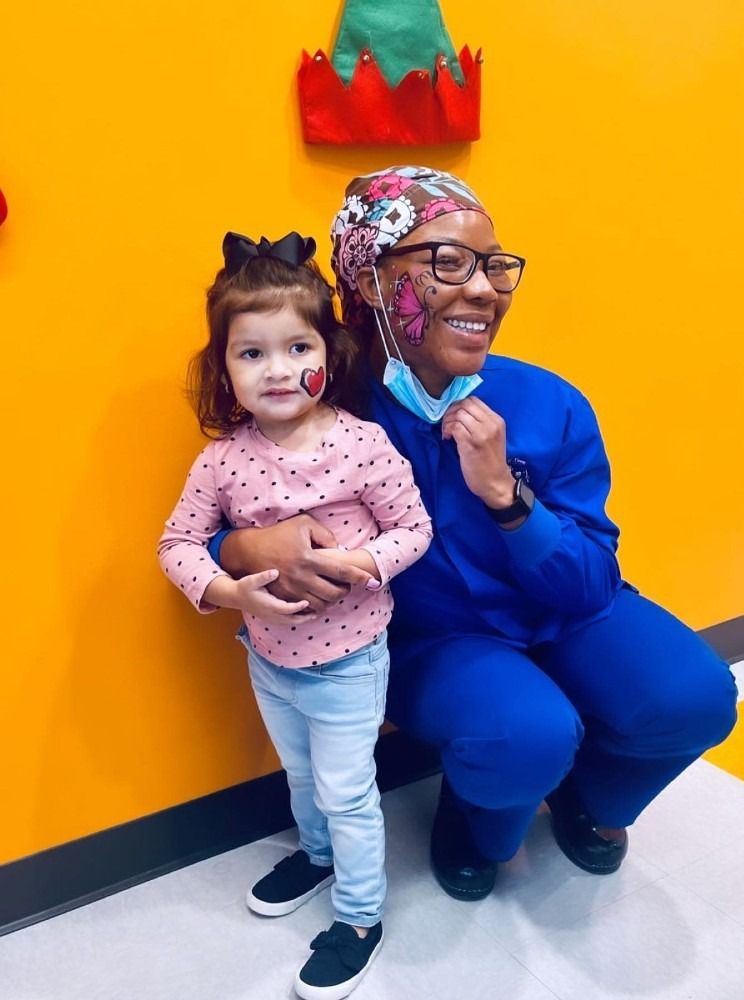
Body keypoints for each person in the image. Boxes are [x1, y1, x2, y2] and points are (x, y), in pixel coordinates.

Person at [212, 166, 738, 907]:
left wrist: (507, 499)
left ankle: (593, 800)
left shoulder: (547, 402)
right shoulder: (322, 408)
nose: (486, 289)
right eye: (448, 263)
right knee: (524, 737)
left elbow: (591, 579)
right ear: (368, 281)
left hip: (567, 609)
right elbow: (213, 515)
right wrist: (242, 550)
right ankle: (483, 818)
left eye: (494, 266)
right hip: (435, 641)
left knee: (696, 696)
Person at [158, 230, 432, 1000]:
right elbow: (177, 543)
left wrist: (365, 564)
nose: (276, 370)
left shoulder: (364, 445)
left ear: (328, 355)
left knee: (347, 789)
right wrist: (229, 591)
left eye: (295, 347)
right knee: (301, 774)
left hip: (350, 659)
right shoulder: (220, 460)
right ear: (225, 369)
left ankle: (358, 916)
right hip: (267, 655)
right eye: (251, 354)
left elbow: (415, 529)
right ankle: (314, 855)